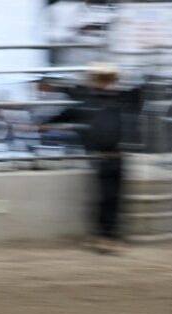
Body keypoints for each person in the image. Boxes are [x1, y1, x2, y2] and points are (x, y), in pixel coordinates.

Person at [44, 63, 144, 254]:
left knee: (115, 198)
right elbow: (67, 110)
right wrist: (45, 123)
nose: (105, 84)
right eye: (101, 80)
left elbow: (141, 92)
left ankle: (110, 236)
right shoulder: (87, 99)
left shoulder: (121, 99)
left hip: (119, 156)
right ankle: (102, 236)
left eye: (107, 80)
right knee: (105, 197)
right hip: (101, 157)